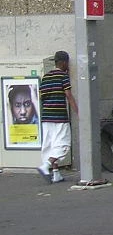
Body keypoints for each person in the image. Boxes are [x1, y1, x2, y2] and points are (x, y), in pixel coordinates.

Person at [37, 51, 78, 184]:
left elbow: (41, 97)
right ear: (64, 62)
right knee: (63, 144)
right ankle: (46, 166)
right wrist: (78, 112)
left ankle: (56, 174)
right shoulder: (63, 76)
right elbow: (68, 95)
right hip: (59, 116)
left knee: (51, 145)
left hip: (46, 117)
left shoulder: (46, 77)